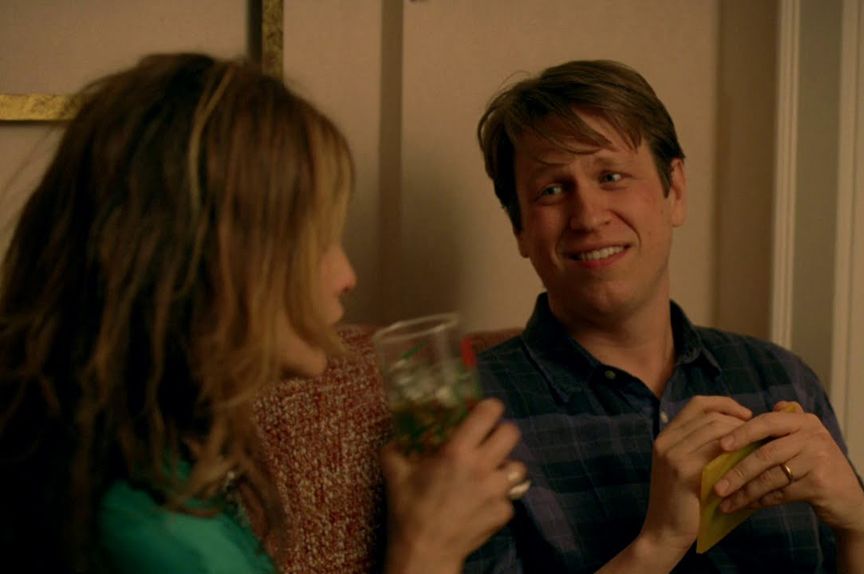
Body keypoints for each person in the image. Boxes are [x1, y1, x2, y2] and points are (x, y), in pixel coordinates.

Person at [0, 53, 523, 573]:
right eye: (318, 240)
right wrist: (428, 549)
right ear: (210, 260)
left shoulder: (159, 459)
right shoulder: (146, 537)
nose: (346, 275)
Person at [465, 59, 864, 573]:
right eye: (552, 190)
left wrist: (858, 526)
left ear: (675, 190)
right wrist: (659, 541)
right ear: (521, 230)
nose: (589, 216)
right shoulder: (469, 421)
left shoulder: (779, 376)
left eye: (611, 176)